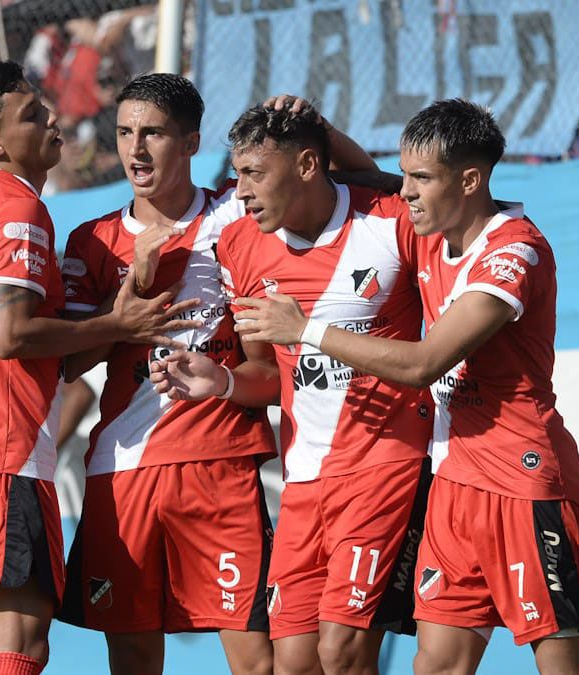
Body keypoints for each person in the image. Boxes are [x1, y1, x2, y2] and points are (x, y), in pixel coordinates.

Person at [223, 99, 579, 675]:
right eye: (404, 176)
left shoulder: (513, 252)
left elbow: (424, 363)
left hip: (520, 477)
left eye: (419, 179)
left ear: (470, 180)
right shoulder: (431, 229)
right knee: (435, 666)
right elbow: (358, 180)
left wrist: (305, 328)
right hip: (452, 482)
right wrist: (318, 125)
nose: (401, 191)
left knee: (566, 666)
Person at [0, 60, 200, 675]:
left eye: (43, 105)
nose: (50, 117)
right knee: (21, 639)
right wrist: (120, 325)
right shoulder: (19, 209)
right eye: (29, 115)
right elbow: (11, 334)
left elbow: (47, 348)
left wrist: (109, 313)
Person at [150, 101, 431, 675]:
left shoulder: (390, 220)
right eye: (238, 174)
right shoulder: (241, 247)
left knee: (343, 652)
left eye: (254, 174)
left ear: (307, 165)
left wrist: (327, 127)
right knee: (294, 663)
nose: (241, 191)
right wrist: (221, 381)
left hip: (387, 466)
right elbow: (270, 378)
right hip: (304, 480)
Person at [53, 72, 281, 675]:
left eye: (153, 133)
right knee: (131, 656)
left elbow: (340, 180)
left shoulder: (240, 214)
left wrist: (320, 131)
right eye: (125, 132)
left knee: (257, 657)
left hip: (219, 464)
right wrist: (130, 294)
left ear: (191, 142)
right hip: (123, 472)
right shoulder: (95, 239)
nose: (135, 149)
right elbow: (69, 363)